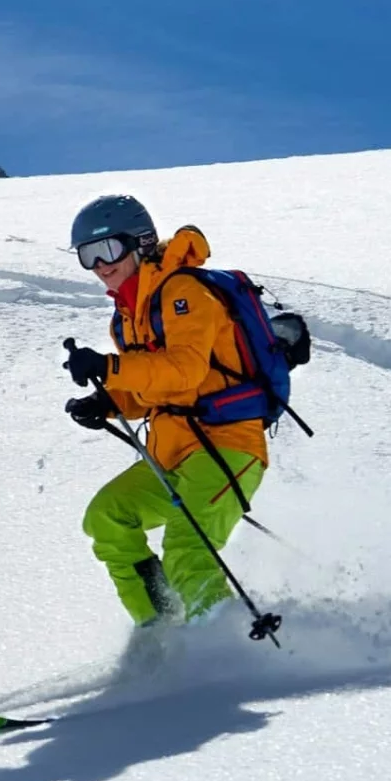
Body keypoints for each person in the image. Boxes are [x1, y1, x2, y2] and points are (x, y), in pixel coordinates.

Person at [60, 194, 267, 628]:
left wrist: (110, 366)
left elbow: (186, 371)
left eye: (108, 250)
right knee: (107, 517)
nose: (100, 265)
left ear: (140, 242)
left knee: (188, 547)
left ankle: (223, 652)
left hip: (226, 444)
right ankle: (161, 629)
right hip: (173, 453)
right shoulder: (126, 317)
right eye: (87, 255)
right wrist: (108, 402)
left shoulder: (183, 291)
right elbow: (151, 391)